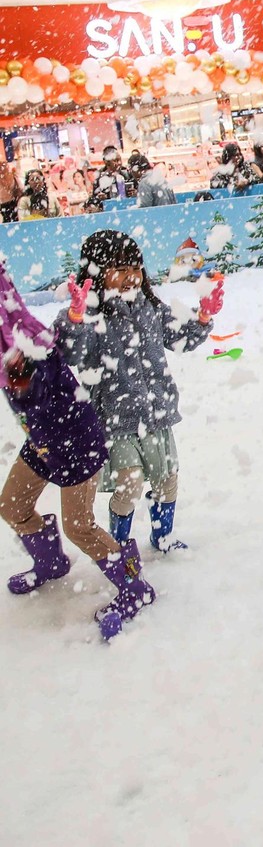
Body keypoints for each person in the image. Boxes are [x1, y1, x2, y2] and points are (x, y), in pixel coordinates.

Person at [0, 260, 155, 641]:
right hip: (42, 442)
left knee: (79, 526)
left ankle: (135, 586)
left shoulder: (27, 346)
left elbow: (40, 387)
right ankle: (51, 563)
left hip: (76, 444)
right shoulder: (10, 346)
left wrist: (23, 375)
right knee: (12, 505)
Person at [53, 230, 224, 553]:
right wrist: (74, 317)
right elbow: (71, 352)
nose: (131, 276)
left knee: (167, 480)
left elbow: (180, 337)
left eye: (135, 268)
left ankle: (163, 536)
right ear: (96, 273)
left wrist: (202, 317)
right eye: (119, 269)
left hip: (156, 414)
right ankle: (118, 544)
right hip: (116, 419)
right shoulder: (91, 316)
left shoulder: (150, 308)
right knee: (129, 482)